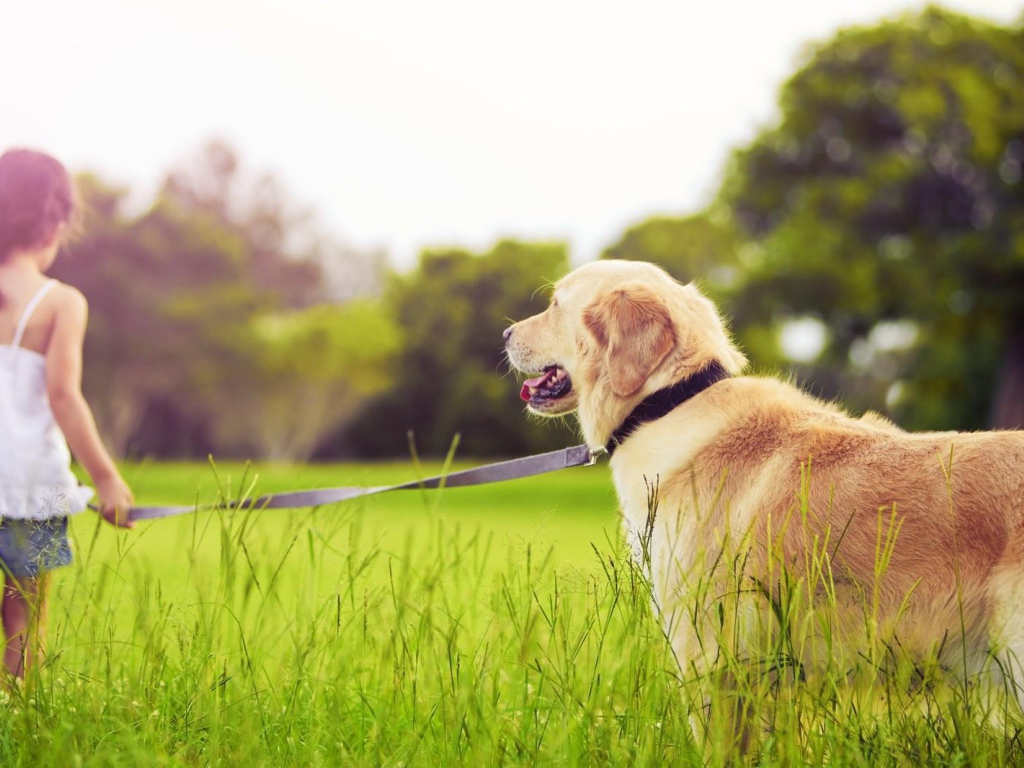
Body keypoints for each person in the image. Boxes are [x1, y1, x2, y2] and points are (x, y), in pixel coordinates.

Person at [0, 148, 134, 681]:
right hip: (36, 484)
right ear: (54, 222)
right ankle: (14, 724)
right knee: (26, 617)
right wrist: (107, 480)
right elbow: (64, 396)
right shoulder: (60, 301)